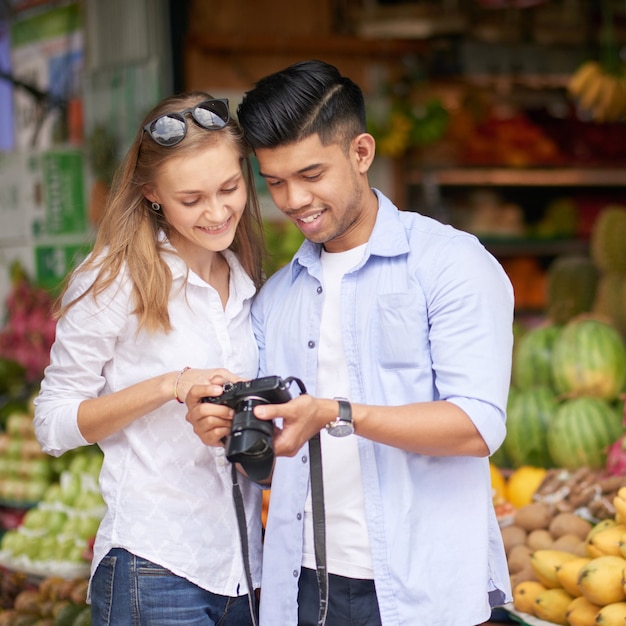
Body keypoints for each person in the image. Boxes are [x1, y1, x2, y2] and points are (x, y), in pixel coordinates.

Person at [188, 60, 515, 626]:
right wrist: (228, 428)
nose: (292, 200)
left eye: (311, 174)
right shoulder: (274, 298)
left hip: (424, 590)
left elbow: (478, 425)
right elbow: (269, 449)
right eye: (275, 181)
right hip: (303, 587)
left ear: (361, 153)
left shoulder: (451, 264)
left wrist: (338, 412)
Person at [33, 91, 266, 626]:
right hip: (155, 567)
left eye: (229, 188)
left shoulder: (246, 280)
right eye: (192, 200)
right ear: (152, 195)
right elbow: (52, 425)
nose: (216, 211)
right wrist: (170, 385)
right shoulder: (113, 279)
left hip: (246, 572)